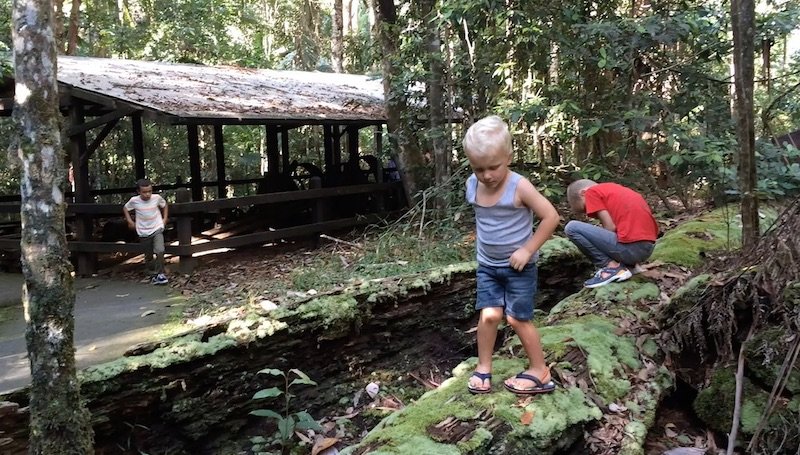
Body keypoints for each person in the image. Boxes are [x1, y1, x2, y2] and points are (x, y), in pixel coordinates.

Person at [463, 116, 560, 396]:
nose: (487, 175)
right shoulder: (473, 184)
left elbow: (551, 217)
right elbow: (484, 221)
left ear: (509, 157)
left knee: (517, 318)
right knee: (489, 315)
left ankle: (539, 370)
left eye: (494, 167)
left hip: (519, 267)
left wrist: (528, 249)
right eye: (478, 168)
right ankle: (484, 367)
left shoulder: (519, 186)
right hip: (488, 266)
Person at [565, 179, 658, 289]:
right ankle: (629, 267)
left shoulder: (592, 192)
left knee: (572, 227)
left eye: (585, 208)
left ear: (583, 193)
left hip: (632, 249)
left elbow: (610, 227)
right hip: (646, 249)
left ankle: (611, 268)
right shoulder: (617, 190)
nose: (589, 213)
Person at [123, 179, 169, 285]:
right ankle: (152, 275)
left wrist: (164, 219)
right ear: (139, 192)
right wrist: (130, 221)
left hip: (157, 228)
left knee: (160, 250)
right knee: (148, 255)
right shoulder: (134, 201)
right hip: (143, 231)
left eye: (150, 191)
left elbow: (165, 205)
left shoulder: (156, 198)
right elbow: (125, 208)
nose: (147, 194)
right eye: (144, 192)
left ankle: (160, 274)